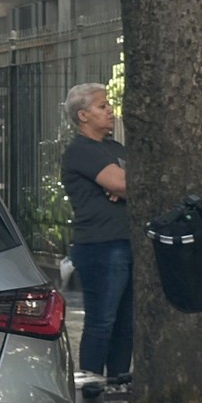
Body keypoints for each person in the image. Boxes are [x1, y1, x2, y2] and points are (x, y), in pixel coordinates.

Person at [59, 82, 132, 386]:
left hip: (127, 241)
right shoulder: (80, 151)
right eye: (102, 106)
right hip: (101, 245)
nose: (110, 111)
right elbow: (125, 184)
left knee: (125, 324)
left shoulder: (114, 148)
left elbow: (131, 182)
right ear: (83, 115)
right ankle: (90, 386)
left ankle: (118, 383)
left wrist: (124, 185)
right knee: (102, 321)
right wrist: (123, 186)